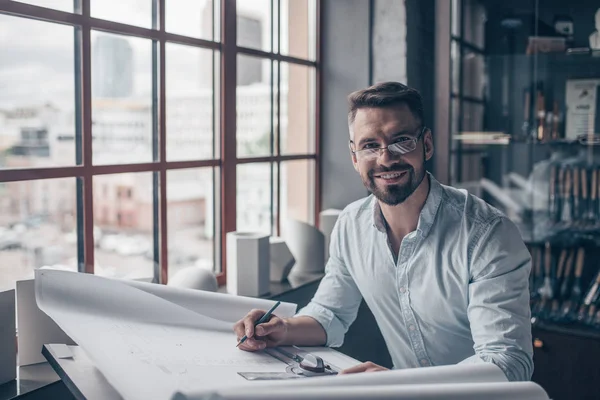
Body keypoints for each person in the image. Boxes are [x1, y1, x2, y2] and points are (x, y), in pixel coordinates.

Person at [233, 82, 533, 381]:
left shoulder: (488, 235)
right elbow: (331, 313)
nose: (386, 158)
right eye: (370, 145)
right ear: (354, 157)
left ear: (426, 144)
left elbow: (507, 361)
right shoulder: (351, 225)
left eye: (401, 141)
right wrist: (282, 329)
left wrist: (400, 383)